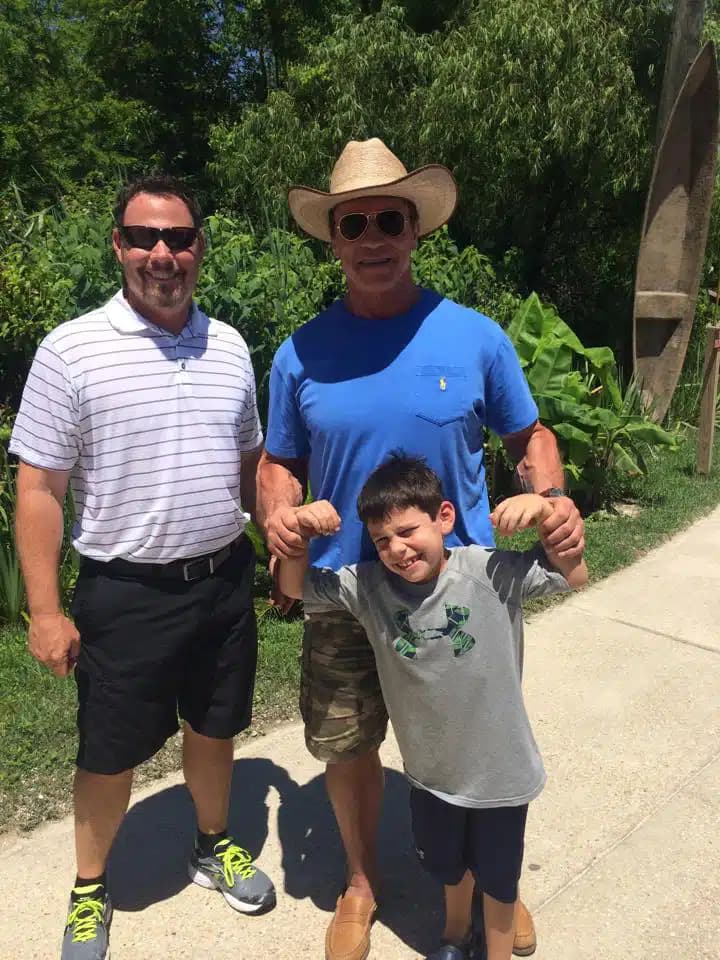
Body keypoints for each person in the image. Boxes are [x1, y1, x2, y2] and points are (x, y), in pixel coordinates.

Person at [258, 137, 585, 960]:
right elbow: (278, 462)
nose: (373, 236)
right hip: (344, 587)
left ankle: (498, 893)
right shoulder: (299, 353)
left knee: (477, 737)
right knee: (345, 738)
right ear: (333, 238)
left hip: (458, 586)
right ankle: (360, 883)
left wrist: (551, 500)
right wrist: (280, 518)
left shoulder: (472, 337)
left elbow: (528, 433)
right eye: (354, 221)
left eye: (389, 219)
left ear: (415, 230)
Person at [10, 174, 275, 960]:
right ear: (120, 246)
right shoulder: (72, 349)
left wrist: (280, 543)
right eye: (146, 237)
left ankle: (212, 841)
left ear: (200, 247)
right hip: (125, 592)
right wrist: (46, 611)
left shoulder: (229, 345)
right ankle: (90, 888)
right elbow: (39, 489)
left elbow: (248, 461)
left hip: (223, 580)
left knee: (215, 726)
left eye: (180, 238)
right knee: (109, 750)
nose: (164, 254)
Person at [277, 453, 588, 960]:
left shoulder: (489, 571)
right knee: (448, 866)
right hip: (430, 774)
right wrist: (297, 532)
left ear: (444, 517)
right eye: (382, 540)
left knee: (501, 880)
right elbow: (293, 587)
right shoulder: (369, 587)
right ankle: (453, 935)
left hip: (500, 776)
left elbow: (572, 573)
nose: (397, 549)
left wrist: (547, 510)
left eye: (407, 531)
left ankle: (498, 951)